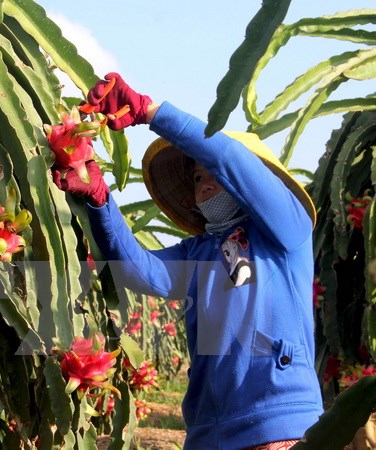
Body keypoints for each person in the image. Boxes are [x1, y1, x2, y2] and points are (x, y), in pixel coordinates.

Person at [51, 73, 324, 450]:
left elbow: (229, 159)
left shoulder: (287, 232)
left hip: (278, 424)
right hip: (206, 433)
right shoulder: (198, 253)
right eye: (197, 177)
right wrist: (100, 199)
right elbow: (137, 270)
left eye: (215, 176)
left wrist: (151, 112)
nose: (206, 184)